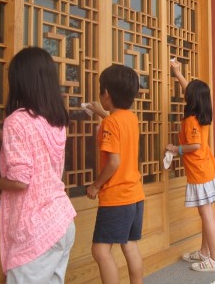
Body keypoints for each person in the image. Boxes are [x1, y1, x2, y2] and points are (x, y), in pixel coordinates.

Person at [0, 46, 76, 283]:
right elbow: (32, 149)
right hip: (62, 220)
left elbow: (20, 181)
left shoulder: (17, 121)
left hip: (36, 230)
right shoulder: (56, 118)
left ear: (21, 81)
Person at [86, 64, 145, 284]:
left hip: (116, 198)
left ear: (106, 94)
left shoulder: (110, 123)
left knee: (100, 250)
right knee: (129, 245)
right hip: (135, 195)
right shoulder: (131, 118)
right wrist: (102, 113)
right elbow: (117, 125)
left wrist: (95, 186)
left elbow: (113, 162)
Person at [166, 60, 215, 272]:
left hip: (200, 173)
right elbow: (190, 90)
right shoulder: (203, 114)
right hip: (208, 170)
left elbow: (195, 145)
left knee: (207, 217)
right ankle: (204, 253)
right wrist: (177, 73)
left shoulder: (191, 120)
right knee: (207, 216)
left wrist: (176, 149)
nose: (185, 94)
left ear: (191, 99)